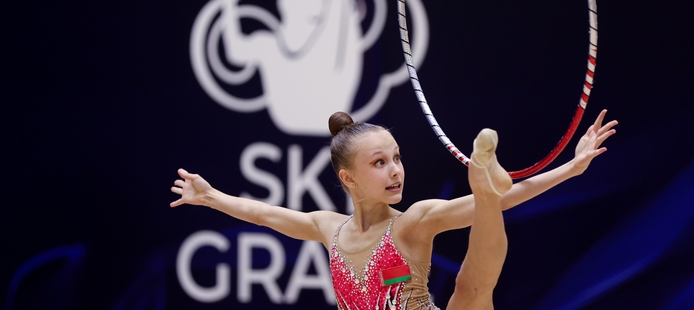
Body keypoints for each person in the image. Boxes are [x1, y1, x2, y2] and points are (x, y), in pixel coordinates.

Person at [171, 110, 617, 309]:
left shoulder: (414, 222)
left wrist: (569, 170)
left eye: (398, 158)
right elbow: (266, 214)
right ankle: (482, 187)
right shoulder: (329, 229)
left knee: (472, 289)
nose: (395, 171)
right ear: (348, 178)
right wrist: (210, 197)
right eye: (380, 163)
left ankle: (481, 184)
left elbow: (509, 198)